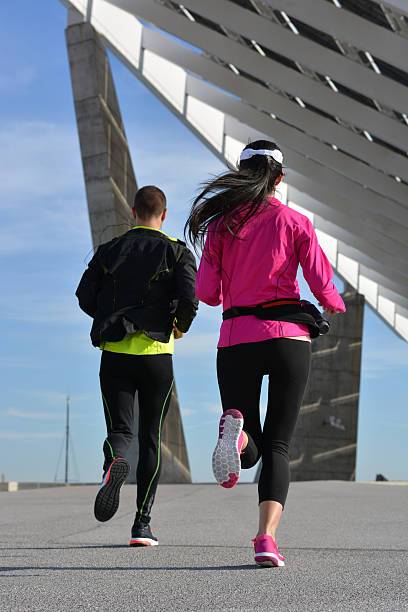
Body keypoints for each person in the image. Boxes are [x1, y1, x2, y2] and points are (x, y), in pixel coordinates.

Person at [185, 140, 345, 567]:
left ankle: (236, 437)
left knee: (252, 442)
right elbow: (322, 284)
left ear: (242, 174)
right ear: (279, 178)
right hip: (288, 339)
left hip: (237, 336)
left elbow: (206, 293)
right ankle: (265, 540)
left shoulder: (220, 226)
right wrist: (333, 303)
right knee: (278, 445)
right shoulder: (296, 221)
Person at [76, 185, 198, 546]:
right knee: (151, 440)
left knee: (122, 430)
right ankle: (142, 525)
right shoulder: (177, 251)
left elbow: (84, 295)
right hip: (158, 356)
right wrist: (177, 326)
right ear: (163, 215)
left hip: (115, 354)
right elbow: (190, 300)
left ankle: (114, 461)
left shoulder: (109, 250)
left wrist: (108, 318)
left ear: (132, 212)